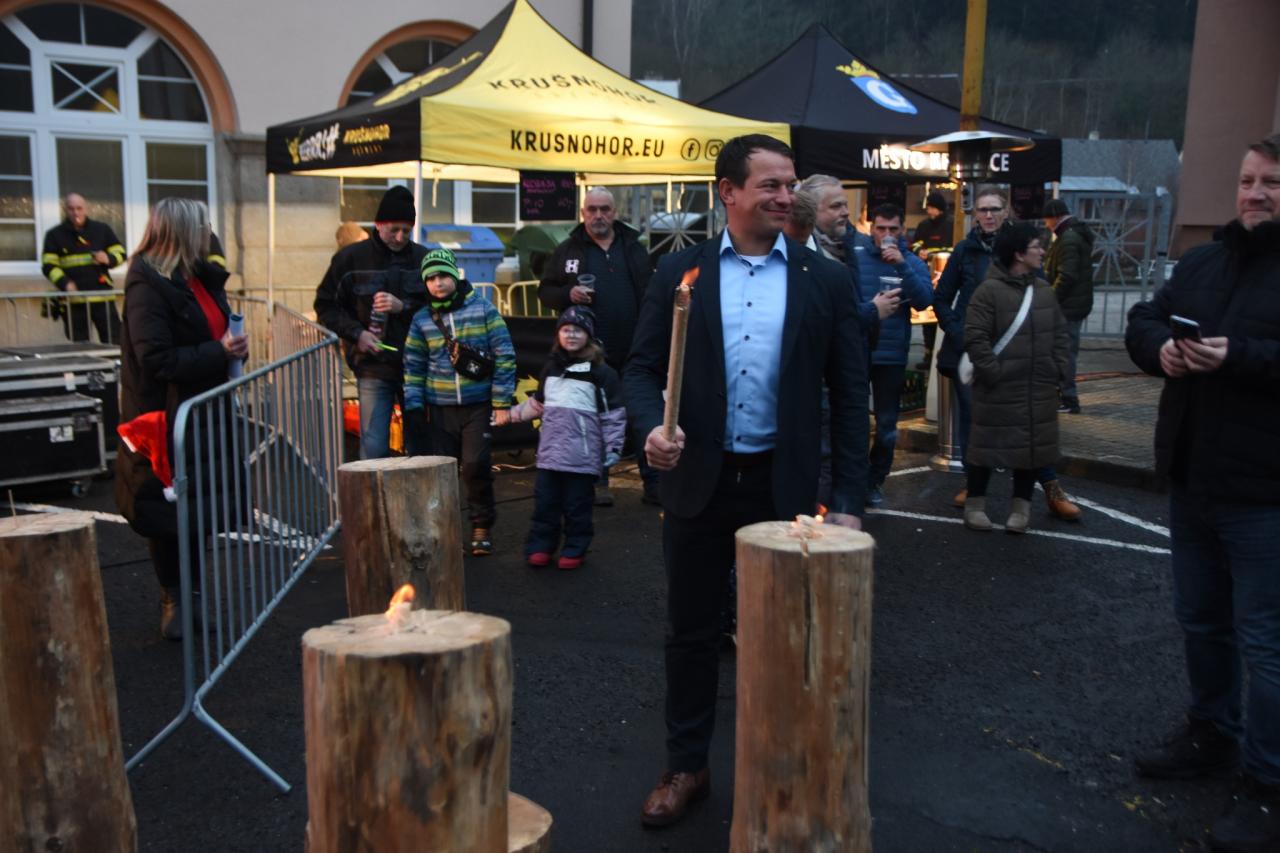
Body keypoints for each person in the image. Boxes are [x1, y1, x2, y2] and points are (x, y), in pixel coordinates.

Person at [624, 135, 869, 829]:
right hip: (698, 481)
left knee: (787, 636)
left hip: (783, 489)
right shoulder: (682, 273)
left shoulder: (824, 280)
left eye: (790, 184)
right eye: (770, 185)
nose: (786, 196)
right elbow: (640, 368)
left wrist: (848, 500)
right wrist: (650, 429)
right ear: (728, 192)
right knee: (691, 632)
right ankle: (687, 764)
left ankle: (784, 767)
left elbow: (851, 396)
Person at [1126, 133, 1280, 852]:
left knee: (1267, 643)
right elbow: (1143, 318)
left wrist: (1237, 356)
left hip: (1266, 494)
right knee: (1202, 622)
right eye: (1248, 180)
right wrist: (1161, 349)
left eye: (1271, 183)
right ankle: (1212, 733)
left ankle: (1269, 784)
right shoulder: (1204, 261)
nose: (1255, 194)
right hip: (1192, 480)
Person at [114, 198, 248, 639]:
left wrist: (232, 347)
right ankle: (174, 602)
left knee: (195, 511)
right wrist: (218, 352)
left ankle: (191, 601)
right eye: (203, 226)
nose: (210, 232)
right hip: (166, 417)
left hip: (201, 413)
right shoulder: (147, 284)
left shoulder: (194, 276)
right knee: (167, 514)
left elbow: (211, 331)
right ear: (183, 232)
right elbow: (156, 358)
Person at [935, 186, 1081, 521]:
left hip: (1019, 355)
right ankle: (974, 487)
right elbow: (942, 299)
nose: (988, 215)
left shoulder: (1023, 246)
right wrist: (963, 335)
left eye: (994, 209)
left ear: (1006, 211)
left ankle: (1050, 488)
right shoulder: (966, 250)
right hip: (975, 353)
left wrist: (1052, 363)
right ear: (975, 214)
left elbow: (1040, 300)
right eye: (982, 210)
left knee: (1030, 423)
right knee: (976, 422)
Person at [538, 186, 655, 507]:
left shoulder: (633, 247)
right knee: (591, 417)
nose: (599, 215)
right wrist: (568, 295)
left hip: (633, 349)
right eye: (592, 209)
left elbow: (651, 292)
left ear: (615, 212)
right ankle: (598, 482)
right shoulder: (568, 250)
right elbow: (545, 291)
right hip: (589, 353)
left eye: (605, 209)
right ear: (583, 213)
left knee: (641, 414)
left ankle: (653, 482)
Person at [403, 248, 516, 557]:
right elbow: (413, 366)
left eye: (443, 276)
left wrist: (501, 402)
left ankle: (481, 524)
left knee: (475, 466)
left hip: (477, 405)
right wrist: (414, 406)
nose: (438, 283)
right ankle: (446, 530)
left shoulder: (483, 309)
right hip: (438, 407)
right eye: (431, 278)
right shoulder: (421, 319)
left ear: (455, 276)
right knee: (442, 472)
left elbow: (505, 355)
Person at [960, 221, 1068, 533]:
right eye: (1036, 246)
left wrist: (1058, 371)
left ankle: (1021, 509)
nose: (1042, 252)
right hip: (998, 386)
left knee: (1030, 449)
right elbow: (976, 338)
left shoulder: (1044, 291)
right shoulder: (988, 292)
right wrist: (992, 373)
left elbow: (1060, 335)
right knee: (985, 445)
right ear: (1019, 254)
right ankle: (975, 506)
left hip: (1038, 388)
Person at [314, 186, 428, 459]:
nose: (400, 237)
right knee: (375, 446)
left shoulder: (423, 259)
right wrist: (358, 334)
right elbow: (326, 305)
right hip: (372, 366)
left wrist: (404, 306)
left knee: (421, 445)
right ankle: (375, 489)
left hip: (417, 365)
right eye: (394, 229)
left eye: (406, 230)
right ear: (378, 224)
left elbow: (441, 305)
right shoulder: (350, 259)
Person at [509, 305, 626, 570]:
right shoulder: (551, 368)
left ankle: (575, 548)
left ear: (589, 335)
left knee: (577, 507)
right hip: (550, 455)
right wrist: (509, 415)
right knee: (545, 505)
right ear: (558, 334)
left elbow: (613, 415)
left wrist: (614, 447)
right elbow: (537, 404)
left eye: (577, 330)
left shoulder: (602, 373)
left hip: (581, 458)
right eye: (565, 330)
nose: (571, 335)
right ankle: (540, 547)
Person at [851, 203, 934, 506]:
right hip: (857, 351)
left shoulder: (910, 261)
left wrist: (901, 265)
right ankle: (854, 480)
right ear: (871, 229)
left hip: (892, 354)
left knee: (887, 426)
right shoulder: (855, 257)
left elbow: (924, 301)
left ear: (902, 231)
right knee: (854, 421)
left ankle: (875, 480)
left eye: (893, 229)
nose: (886, 234)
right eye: (881, 228)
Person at [41, 192, 126, 344]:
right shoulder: (54, 235)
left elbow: (121, 253)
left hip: (102, 298)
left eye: (79, 208)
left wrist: (108, 258)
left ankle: (114, 361)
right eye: (71, 208)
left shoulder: (102, 230)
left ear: (86, 209)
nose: (76, 212)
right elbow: (48, 265)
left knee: (114, 341)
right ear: (65, 210)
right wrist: (65, 283)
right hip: (74, 300)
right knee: (80, 345)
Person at [1041, 198, 1095, 414]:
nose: (1046, 225)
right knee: (1064, 351)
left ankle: (1068, 399)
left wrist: (1050, 299)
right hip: (1074, 304)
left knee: (1064, 352)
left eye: (1047, 220)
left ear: (1055, 217)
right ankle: (1064, 396)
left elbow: (1067, 275)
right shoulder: (1071, 235)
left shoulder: (1068, 239)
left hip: (1067, 306)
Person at [909, 190, 954, 370]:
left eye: (932, 207)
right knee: (927, 319)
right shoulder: (923, 225)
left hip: (945, 276)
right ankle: (928, 355)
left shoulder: (952, 225)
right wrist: (919, 251)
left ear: (940, 208)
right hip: (926, 275)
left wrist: (933, 254)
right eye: (928, 207)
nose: (929, 211)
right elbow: (916, 243)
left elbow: (952, 249)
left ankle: (941, 355)